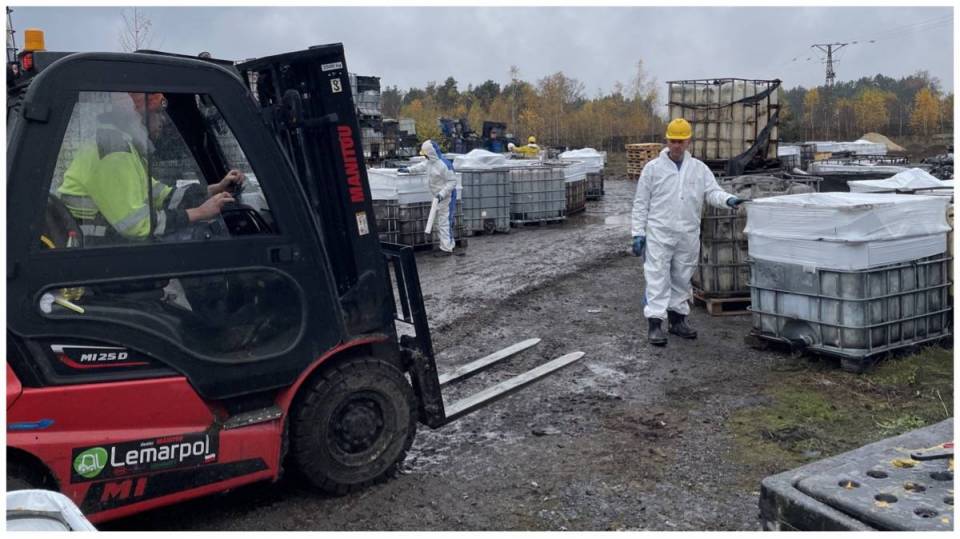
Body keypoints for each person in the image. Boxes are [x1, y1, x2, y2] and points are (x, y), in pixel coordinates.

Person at [58, 92, 244, 245]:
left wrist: (214, 189)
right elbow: (137, 226)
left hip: (107, 245)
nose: (162, 121)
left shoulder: (124, 148)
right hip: (102, 251)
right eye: (158, 114)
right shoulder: (114, 153)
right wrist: (200, 213)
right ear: (140, 116)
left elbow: (162, 196)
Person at [630, 118, 744, 346]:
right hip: (659, 233)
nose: (676, 145)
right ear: (667, 140)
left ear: (688, 141)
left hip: (688, 233)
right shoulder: (652, 169)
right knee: (657, 277)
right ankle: (655, 324)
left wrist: (728, 200)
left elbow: (712, 192)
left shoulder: (699, 169)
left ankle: (678, 321)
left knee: (682, 277)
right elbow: (641, 203)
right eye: (673, 141)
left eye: (681, 141)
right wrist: (638, 233)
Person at [400, 140, 463, 257]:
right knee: (440, 222)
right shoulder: (430, 162)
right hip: (437, 197)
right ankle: (447, 245)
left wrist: (442, 194)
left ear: (430, 153)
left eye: (425, 154)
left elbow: (452, 181)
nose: (425, 157)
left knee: (444, 222)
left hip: (447, 198)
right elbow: (421, 166)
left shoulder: (444, 165)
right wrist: (409, 169)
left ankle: (446, 249)